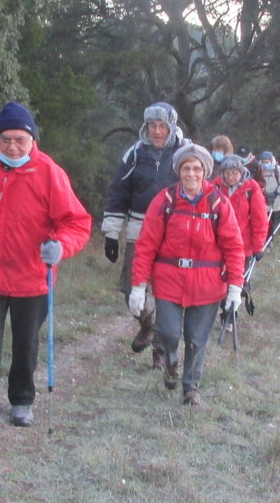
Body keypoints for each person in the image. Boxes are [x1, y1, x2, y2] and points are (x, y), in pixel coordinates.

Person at [0, 101, 92, 430]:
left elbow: (77, 222)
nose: (12, 146)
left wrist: (60, 246)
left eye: (19, 140)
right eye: (6, 139)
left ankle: (22, 400)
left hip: (32, 275)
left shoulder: (49, 172)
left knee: (26, 340)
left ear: (32, 140)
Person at [128, 143, 245, 407]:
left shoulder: (218, 203)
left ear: (204, 171)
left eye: (196, 168)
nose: (191, 174)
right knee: (168, 333)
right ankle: (171, 362)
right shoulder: (165, 201)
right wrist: (138, 286)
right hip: (169, 281)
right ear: (178, 171)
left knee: (195, 339)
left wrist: (235, 287)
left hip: (207, 285)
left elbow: (234, 247)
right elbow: (146, 245)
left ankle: (191, 389)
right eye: (186, 168)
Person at [101, 102, 191, 366]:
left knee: (167, 293)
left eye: (162, 126)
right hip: (139, 231)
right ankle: (149, 324)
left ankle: (161, 353)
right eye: (152, 125)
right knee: (132, 289)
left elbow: (202, 193)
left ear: (172, 127)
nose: (157, 131)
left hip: (175, 232)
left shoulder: (186, 154)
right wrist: (110, 233)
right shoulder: (135, 154)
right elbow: (117, 194)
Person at [215, 155, 268, 264]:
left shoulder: (251, 188)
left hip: (242, 244)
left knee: (239, 279)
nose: (230, 177)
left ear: (241, 172)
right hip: (217, 244)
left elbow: (260, 219)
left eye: (234, 173)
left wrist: (258, 246)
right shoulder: (216, 186)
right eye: (227, 173)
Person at [257, 151, 280, 234]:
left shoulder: (277, 169)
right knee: (261, 219)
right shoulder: (258, 169)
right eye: (263, 162)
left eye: (267, 162)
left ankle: (270, 239)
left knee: (271, 220)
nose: (265, 164)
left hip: (273, 199)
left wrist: (276, 193)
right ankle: (262, 238)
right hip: (261, 197)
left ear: (271, 160)